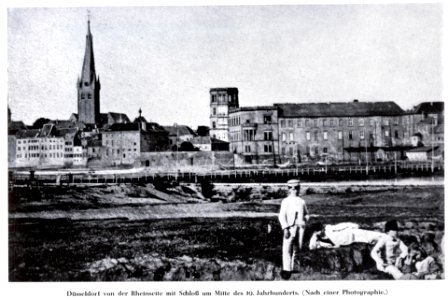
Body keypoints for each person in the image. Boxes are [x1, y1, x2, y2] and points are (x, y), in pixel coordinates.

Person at [278, 179, 309, 279]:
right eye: (292, 188)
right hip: (290, 227)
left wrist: (304, 220)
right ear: (288, 189)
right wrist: (285, 228)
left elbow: (307, 214)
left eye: (296, 188)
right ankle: (286, 269)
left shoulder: (302, 202)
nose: (294, 190)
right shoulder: (286, 201)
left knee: (297, 248)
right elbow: (281, 216)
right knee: (286, 248)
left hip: (299, 228)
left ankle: (294, 267)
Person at [309, 222, 386, 250]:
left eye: (321, 229)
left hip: (351, 233)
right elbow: (312, 246)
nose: (321, 231)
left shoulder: (328, 228)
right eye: (319, 231)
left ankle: (386, 238)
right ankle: (384, 242)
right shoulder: (317, 238)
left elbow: (340, 226)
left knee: (370, 235)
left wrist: (352, 225)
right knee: (369, 240)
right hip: (350, 240)